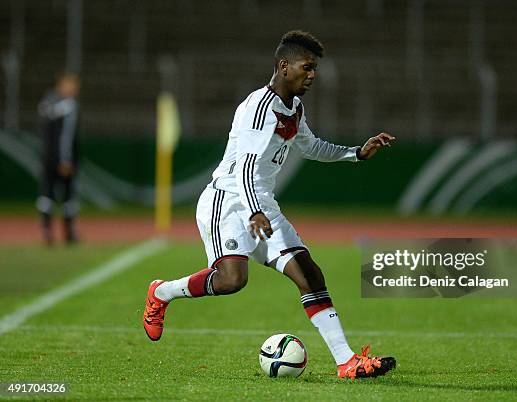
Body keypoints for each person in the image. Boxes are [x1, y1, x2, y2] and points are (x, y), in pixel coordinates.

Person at [143, 31, 396, 379]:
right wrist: (255, 212)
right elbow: (246, 167)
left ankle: (347, 362)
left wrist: (356, 153)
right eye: (307, 67)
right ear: (284, 66)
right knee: (232, 280)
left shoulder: (294, 107)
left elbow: (311, 146)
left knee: (309, 274)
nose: (312, 75)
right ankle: (162, 292)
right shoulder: (258, 109)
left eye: (315, 69)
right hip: (229, 202)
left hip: (262, 204)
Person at [36, 73, 81, 245]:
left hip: (47, 157)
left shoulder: (47, 105)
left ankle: (49, 231)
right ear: (61, 85)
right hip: (61, 160)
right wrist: (65, 160)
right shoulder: (69, 107)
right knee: (65, 196)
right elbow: (66, 137)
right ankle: (66, 233)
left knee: (47, 194)